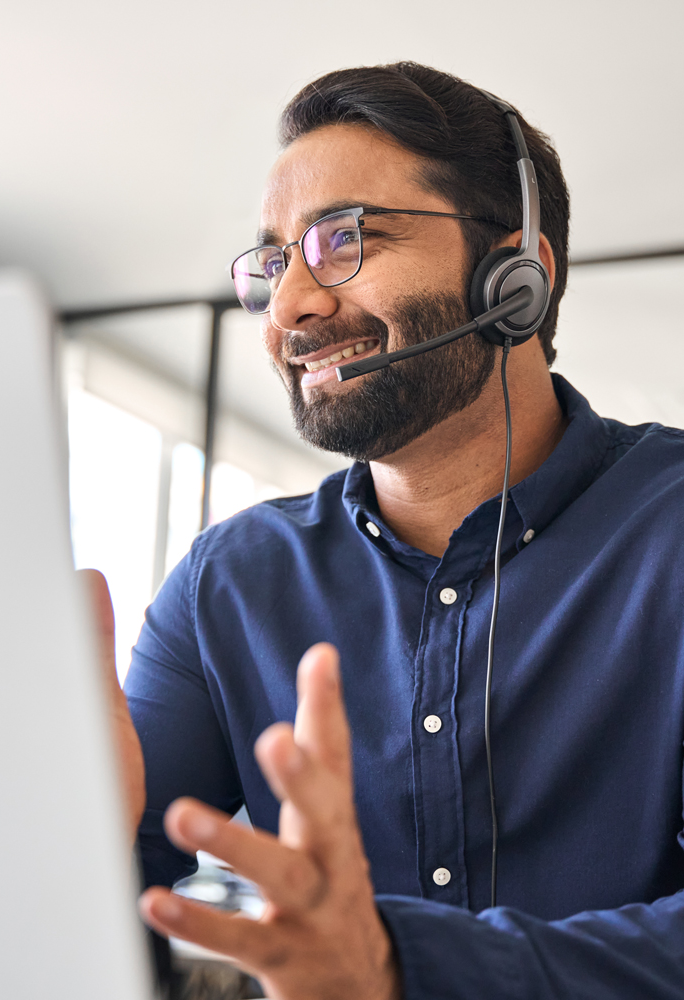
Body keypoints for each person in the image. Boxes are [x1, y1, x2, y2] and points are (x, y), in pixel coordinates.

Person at [104, 63, 684, 998]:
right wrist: (49, 830)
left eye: (343, 240)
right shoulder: (231, 582)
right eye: (274, 263)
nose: (290, 306)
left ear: (518, 271)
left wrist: (395, 967)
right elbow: (98, 909)